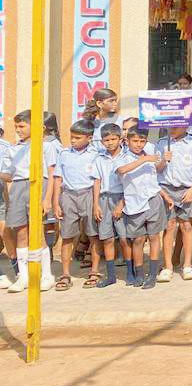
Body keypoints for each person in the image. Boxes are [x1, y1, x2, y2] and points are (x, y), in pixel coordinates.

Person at [1, 111, 58, 292]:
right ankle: (24, 276)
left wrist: (48, 198)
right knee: (20, 232)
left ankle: (46, 275)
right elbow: (9, 175)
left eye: (22, 126)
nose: (18, 130)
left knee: (37, 231)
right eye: (16, 127)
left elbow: (51, 173)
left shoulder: (46, 146)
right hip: (18, 187)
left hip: (38, 185)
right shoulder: (15, 148)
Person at [51, 120, 100, 290]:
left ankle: (94, 272)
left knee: (93, 235)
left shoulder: (95, 155)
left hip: (88, 194)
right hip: (68, 196)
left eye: (78, 138)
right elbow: (58, 178)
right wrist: (56, 203)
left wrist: (96, 204)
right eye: (72, 137)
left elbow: (96, 181)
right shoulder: (64, 154)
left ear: (89, 138)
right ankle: (65, 274)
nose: (73, 141)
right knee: (67, 236)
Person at [118, 125, 168, 290]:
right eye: (135, 141)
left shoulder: (151, 152)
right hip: (134, 203)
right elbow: (121, 170)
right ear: (127, 141)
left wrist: (164, 161)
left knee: (154, 237)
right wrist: (143, 160)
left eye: (142, 141)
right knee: (138, 239)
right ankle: (139, 272)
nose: (139, 144)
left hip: (153, 199)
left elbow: (157, 170)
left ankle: (152, 274)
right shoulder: (122, 156)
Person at [157, 121, 192, 282]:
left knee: (186, 226)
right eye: (170, 126)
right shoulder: (162, 143)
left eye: (175, 126)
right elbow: (155, 169)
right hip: (167, 189)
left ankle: (188, 265)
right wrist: (163, 160)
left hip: (186, 190)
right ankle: (168, 266)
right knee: (169, 227)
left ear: (186, 126)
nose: (172, 129)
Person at [90, 123, 129, 288]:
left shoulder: (127, 157)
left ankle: (131, 273)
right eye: (106, 140)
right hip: (104, 199)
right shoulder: (99, 159)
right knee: (107, 238)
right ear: (102, 141)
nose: (110, 142)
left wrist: (122, 204)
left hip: (123, 198)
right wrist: (95, 204)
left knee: (125, 239)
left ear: (120, 139)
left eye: (114, 139)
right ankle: (111, 275)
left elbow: (130, 183)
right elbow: (97, 182)